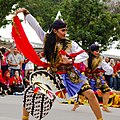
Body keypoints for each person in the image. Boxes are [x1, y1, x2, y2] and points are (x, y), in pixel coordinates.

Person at [15, 8, 103, 120]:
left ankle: (100, 119)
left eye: (66, 30)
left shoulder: (70, 43)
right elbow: (36, 27)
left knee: (90, 94)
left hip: (70, 74)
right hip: (53, 74)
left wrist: (71, 60)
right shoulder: (46, 39)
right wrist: (26, 13)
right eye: (63, 30)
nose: (65, 33)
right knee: (32, 92)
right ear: (55, 31)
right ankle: (24, 118)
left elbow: (84, 55)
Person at [72, 44, 113, 112]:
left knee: (107, 90)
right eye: (96, 51)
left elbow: (106, 67)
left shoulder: (100, 59)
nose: (98, 52)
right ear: (91, 51)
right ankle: (76, 104)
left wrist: (109, 70)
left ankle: (105, 106)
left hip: (96, 77)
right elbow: (77, 61)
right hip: (86, 77)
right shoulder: (86, 58)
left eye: (98, 51)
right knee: (81, 91)